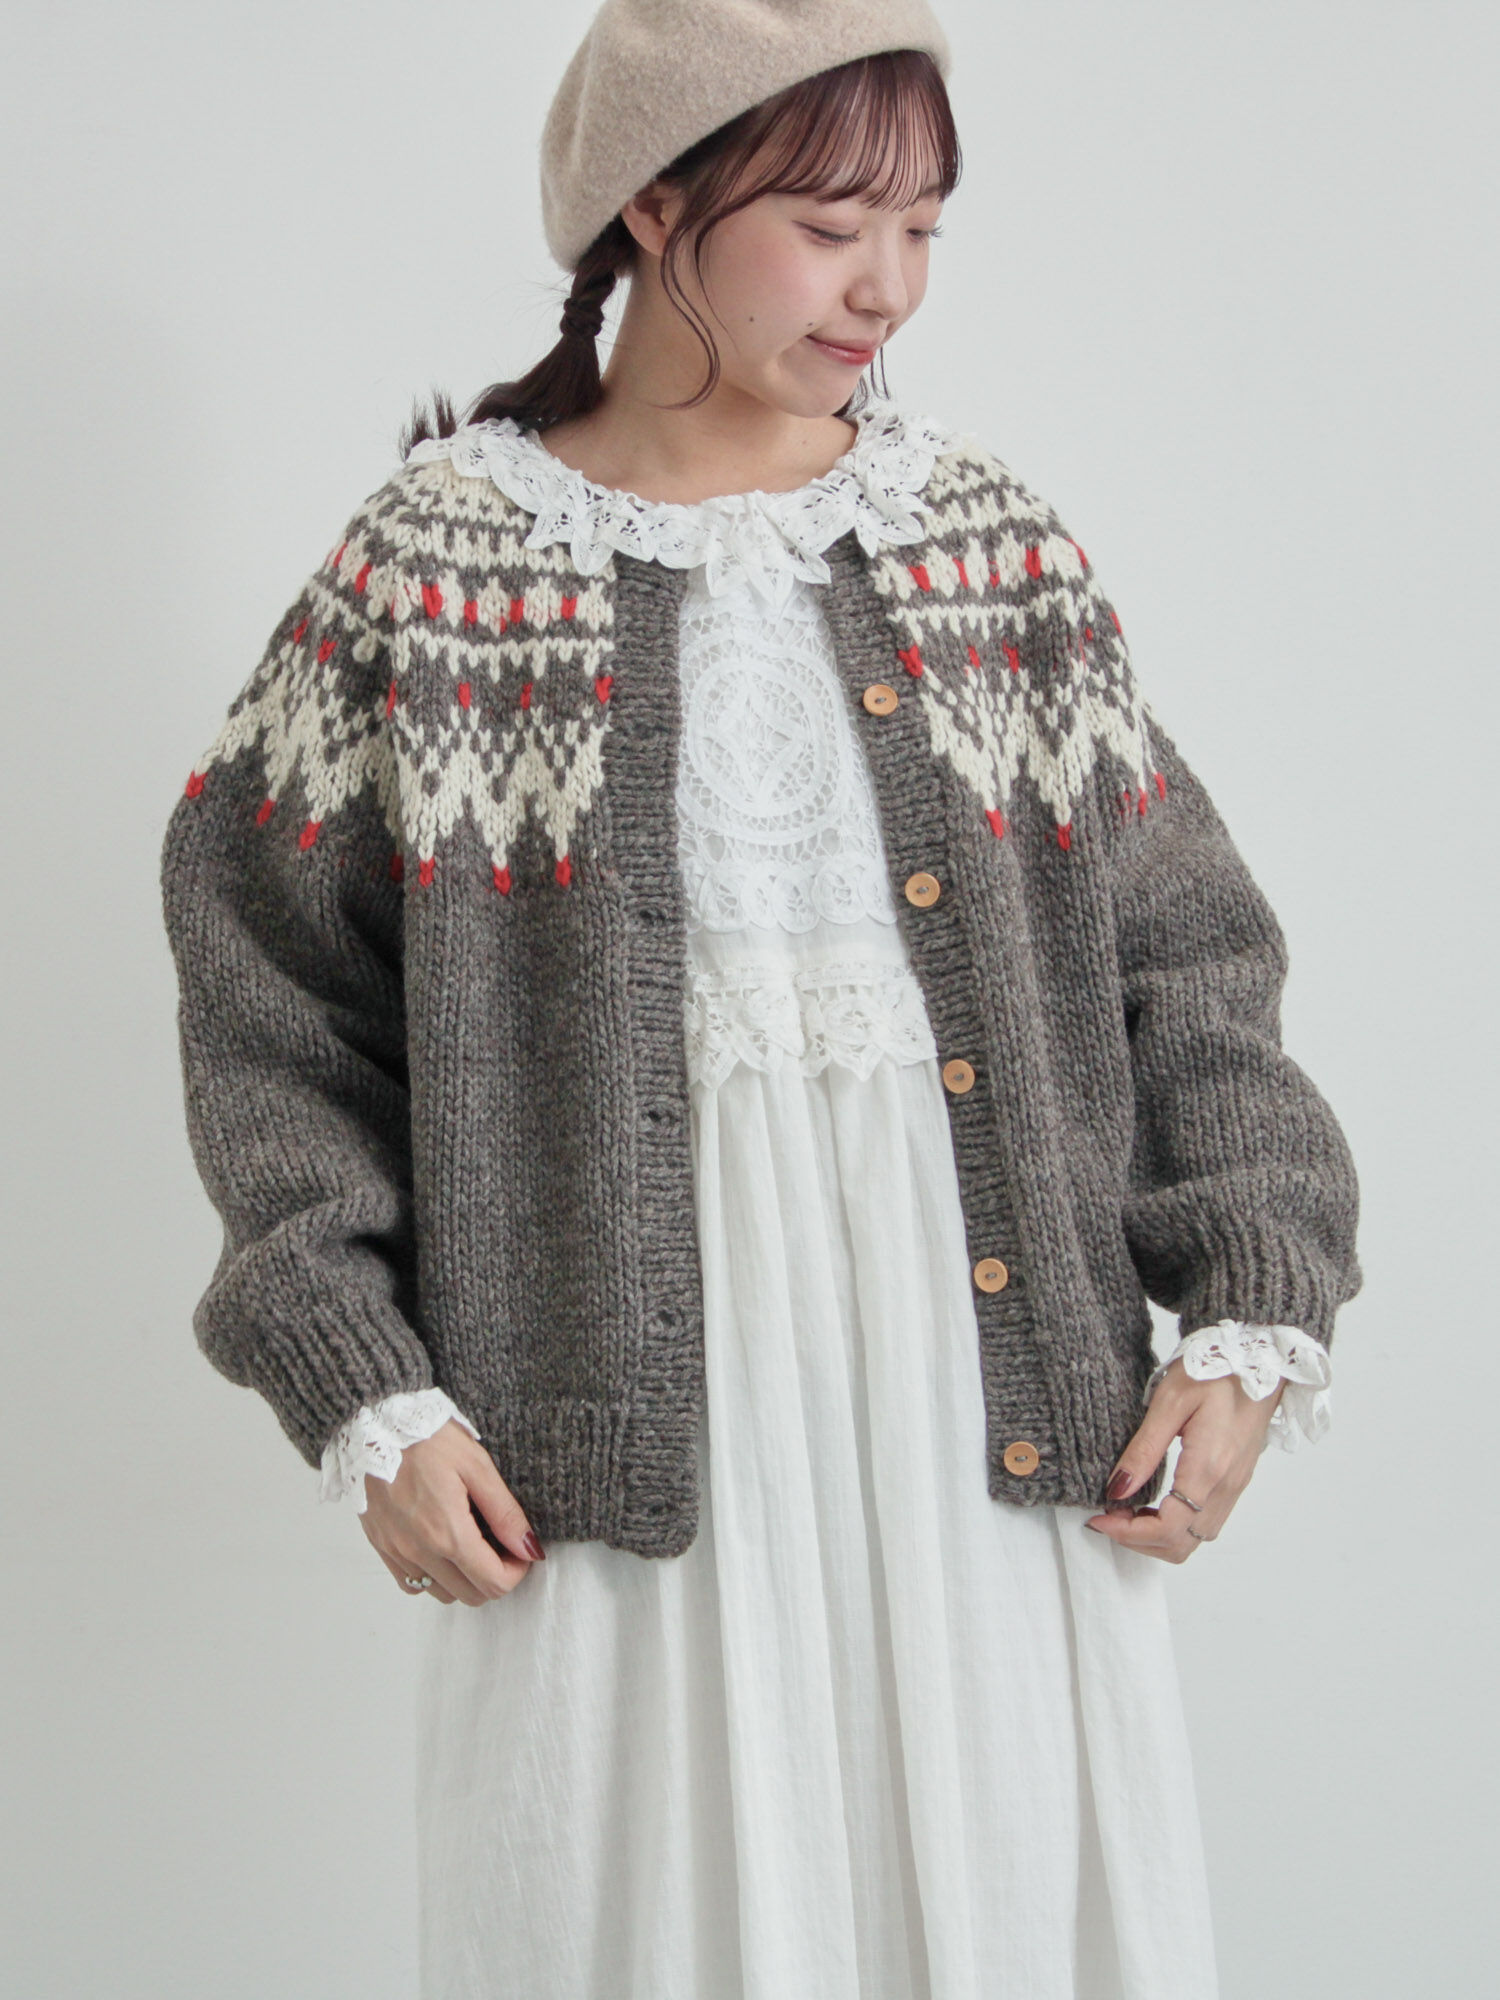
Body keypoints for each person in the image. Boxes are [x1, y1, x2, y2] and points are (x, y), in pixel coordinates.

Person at [158, 4, 1361, 1995]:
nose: (886, 287)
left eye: (923, 229)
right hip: (608, 1432)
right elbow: (266, 988)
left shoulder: (983, 550)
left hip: (983, 1416)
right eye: (828, 225)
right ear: (655, 205)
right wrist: (357, 1377)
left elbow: (1190, 948)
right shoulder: (439, 568)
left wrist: (1253, 1302)